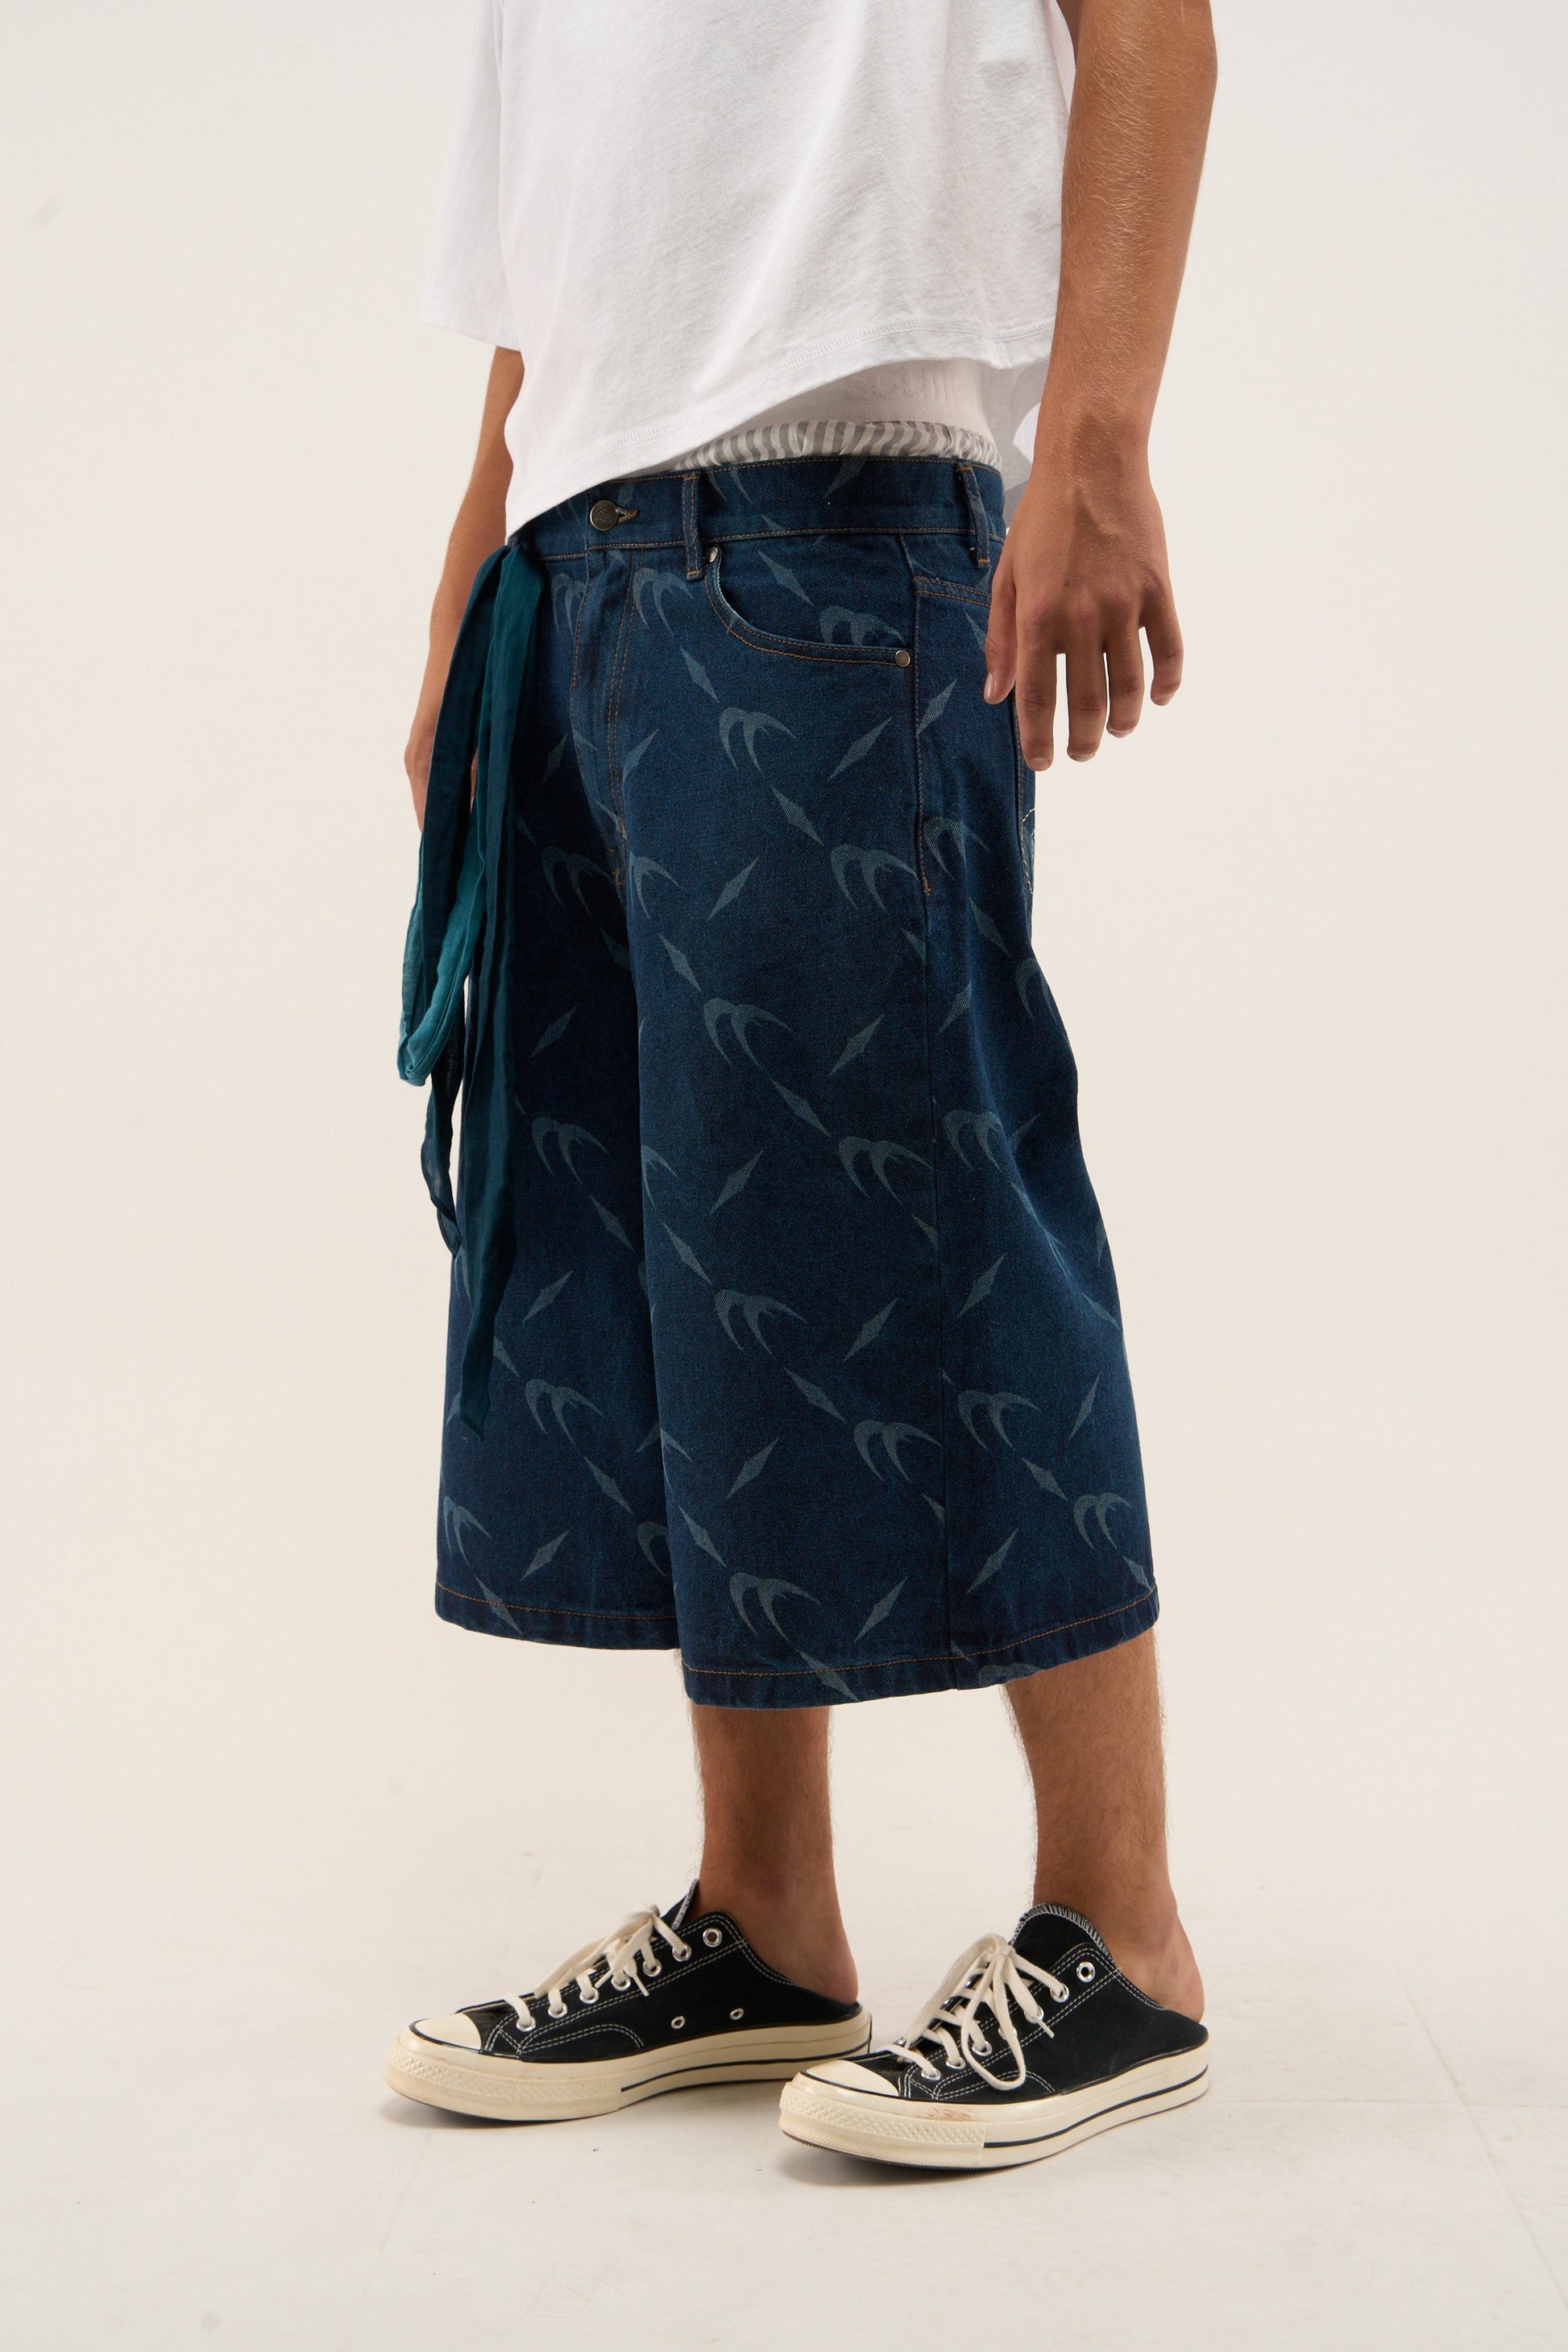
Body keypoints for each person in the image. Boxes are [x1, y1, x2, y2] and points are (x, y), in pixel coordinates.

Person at [384, 0, 1217, 2172]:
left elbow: (1151, 29)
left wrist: (1096, 430)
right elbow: (548, 246)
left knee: (944, 1205)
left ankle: (1122, 1935)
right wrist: (474, 575)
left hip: (842, 522)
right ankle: (764, 1917)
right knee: (684, 1248)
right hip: (577, 564)